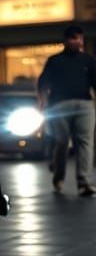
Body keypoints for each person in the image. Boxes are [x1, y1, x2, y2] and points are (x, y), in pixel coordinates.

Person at [37, 24, 96, 196]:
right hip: (59, 106)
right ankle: (58, 176)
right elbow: (43, 84)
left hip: (84, 104)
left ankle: (83, 183)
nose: (77, 42)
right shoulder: (54, 61)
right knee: (61, 141)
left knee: (85, 142)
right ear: (66, 40)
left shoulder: (88, 60)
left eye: (79, 38)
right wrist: (42, 103)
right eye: (73, 38)